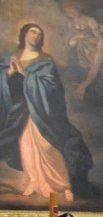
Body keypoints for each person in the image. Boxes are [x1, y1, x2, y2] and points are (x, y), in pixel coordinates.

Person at [0, 23, 93, 201]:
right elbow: (4, 82)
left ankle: (62, 184)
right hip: (21, 111)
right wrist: (10, 73)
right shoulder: (11, 57)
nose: (36, 36)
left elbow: (52, 88)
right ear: (24, 34)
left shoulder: (46, 60)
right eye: (33, 32)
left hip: (42, 113)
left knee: (48, 146)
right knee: (26, 148)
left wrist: (25, 75)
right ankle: (34, 180)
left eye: (39, 34)